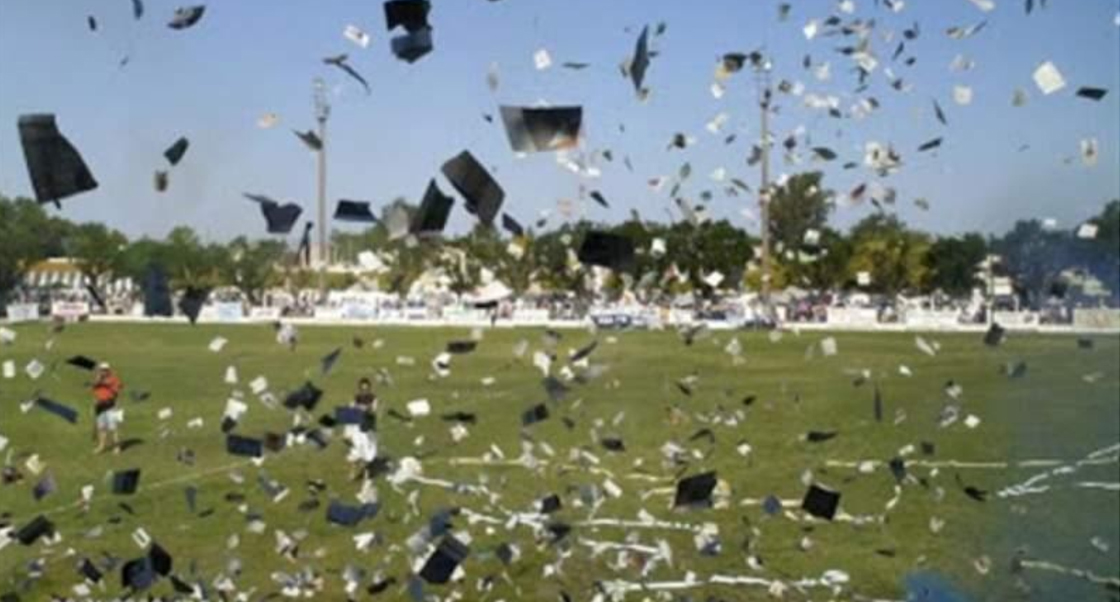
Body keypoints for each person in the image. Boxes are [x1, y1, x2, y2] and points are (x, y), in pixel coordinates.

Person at [91, 362, 123, 454]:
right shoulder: (97, 379)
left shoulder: (114, 379)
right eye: (101, 370)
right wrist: (98, 380)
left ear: (108, 370)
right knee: (101, 428)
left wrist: (105, 383)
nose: (103, 372)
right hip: (99, 407)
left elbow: (116, 391)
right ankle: (101, 446)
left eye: (105, 370)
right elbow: (94, 387)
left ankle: (117, 447)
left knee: (113, 428)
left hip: (110, 406)